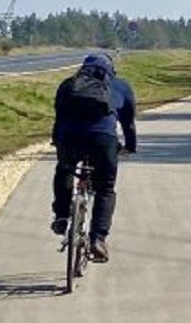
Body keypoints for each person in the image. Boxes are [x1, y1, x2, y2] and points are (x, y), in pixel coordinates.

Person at [50, 52, 137, 262]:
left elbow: (59, 116)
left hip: (69, 138)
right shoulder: (121, 86)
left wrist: (57, 141)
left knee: (64, 170)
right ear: (110, 71)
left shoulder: (68, 85)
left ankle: (61, 216)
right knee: (105, 189)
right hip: (103, 140)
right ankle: (98, 239)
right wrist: (130, 147)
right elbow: (128, 124)